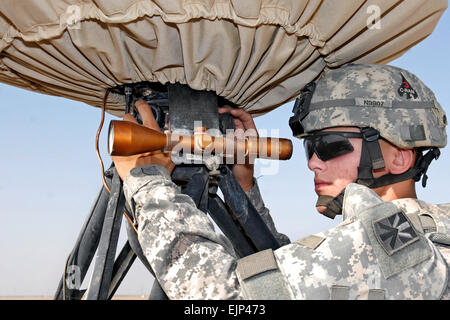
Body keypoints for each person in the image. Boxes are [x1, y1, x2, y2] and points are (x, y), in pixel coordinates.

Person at [112, 64, 449, 300]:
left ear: (400, 156)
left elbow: (219, 294)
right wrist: (245, 190)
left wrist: (149, 183)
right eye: (309, 147)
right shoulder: (427, 231)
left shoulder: (384, 245)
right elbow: (290, 277)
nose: (314, 162)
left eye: (329, 146)